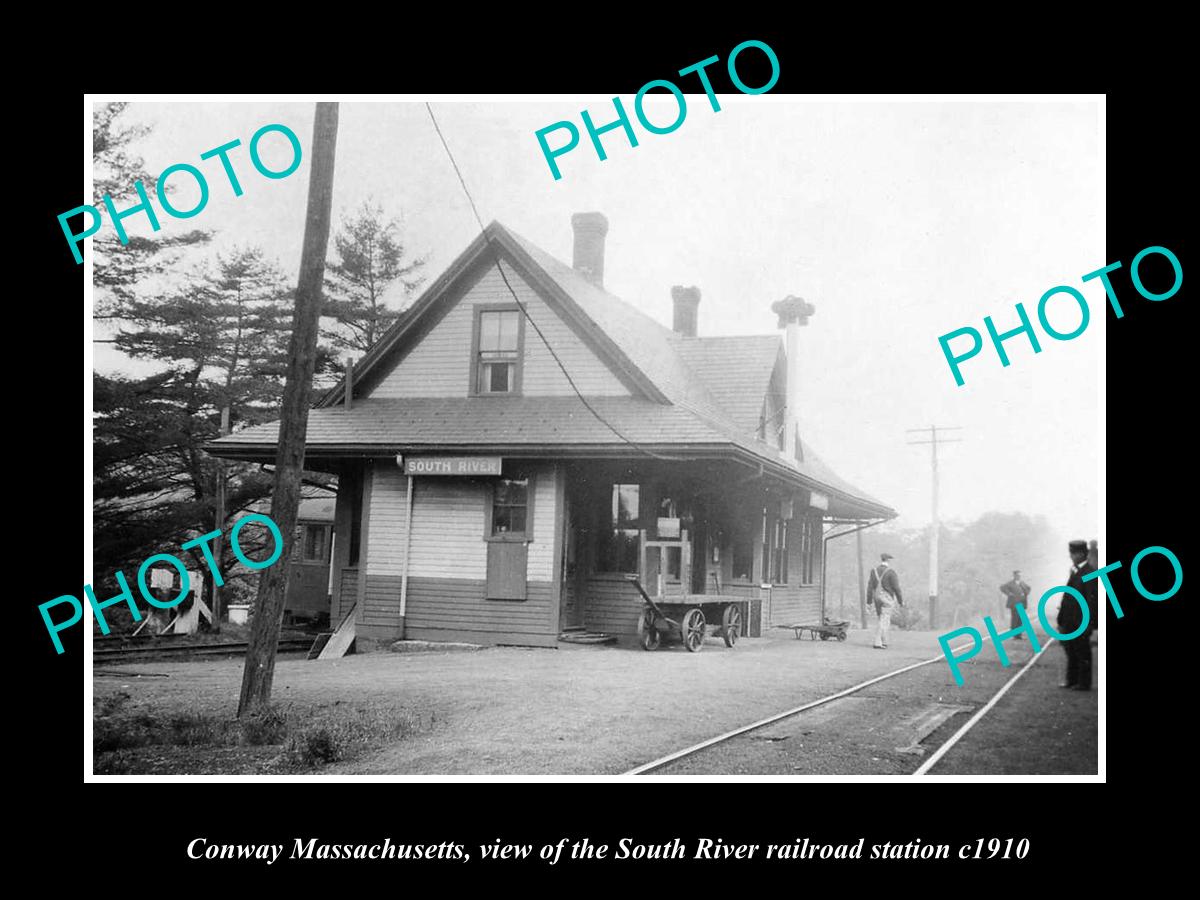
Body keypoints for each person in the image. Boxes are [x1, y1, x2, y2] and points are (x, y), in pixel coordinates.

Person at [1059, 539, 1097, 690]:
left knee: (1082, 651)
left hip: (1081, 621)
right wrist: (1061, 619)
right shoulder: (1075, 571)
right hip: (1069, 620)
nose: (1071, 556)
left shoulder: (1089, 573)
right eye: (1071, 553)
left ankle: (1083, 683)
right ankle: (1072, 680)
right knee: (1070, 649)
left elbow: (1092, 601)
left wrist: (1090, 623)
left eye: (1074, 553)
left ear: (1082, 554)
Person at [866, 553, 903, 649]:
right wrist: (900, 601)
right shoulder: (891, 572)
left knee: (881, 618)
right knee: (885, 619)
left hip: (876, 597)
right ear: (888, 561)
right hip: (887, 598)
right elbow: (896, 588)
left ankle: (884, 641)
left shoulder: (873, 571)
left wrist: (869, 601)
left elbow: (870, 587)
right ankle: (878, 642)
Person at [999, 570, 1032, 637]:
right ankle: (1014, 634)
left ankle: (1019, 635)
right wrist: (1009, 593)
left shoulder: (1022, 583)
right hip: (1014, 604)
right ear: (1014, 576)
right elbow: (1002, 587)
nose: (1019, 577)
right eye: (1017, 575)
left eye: (1020, 575)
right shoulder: (1010, 583)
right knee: (1015, 619)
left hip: (1022, 604)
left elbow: (1029, 588)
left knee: (1020, 619)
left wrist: (1025, 593)